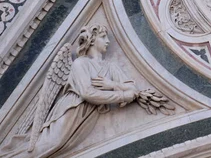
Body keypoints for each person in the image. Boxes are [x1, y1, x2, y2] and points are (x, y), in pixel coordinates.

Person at [0, 23, 137, 158]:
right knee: (44, 147)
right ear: (92, 40)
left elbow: (133, 89)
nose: (107, 41)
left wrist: (111, 84)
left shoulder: (111, 67)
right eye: (103, 37)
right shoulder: (80, 63)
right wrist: (122, 95)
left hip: (87, 116)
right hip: (71, 110)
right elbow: (87, 93)